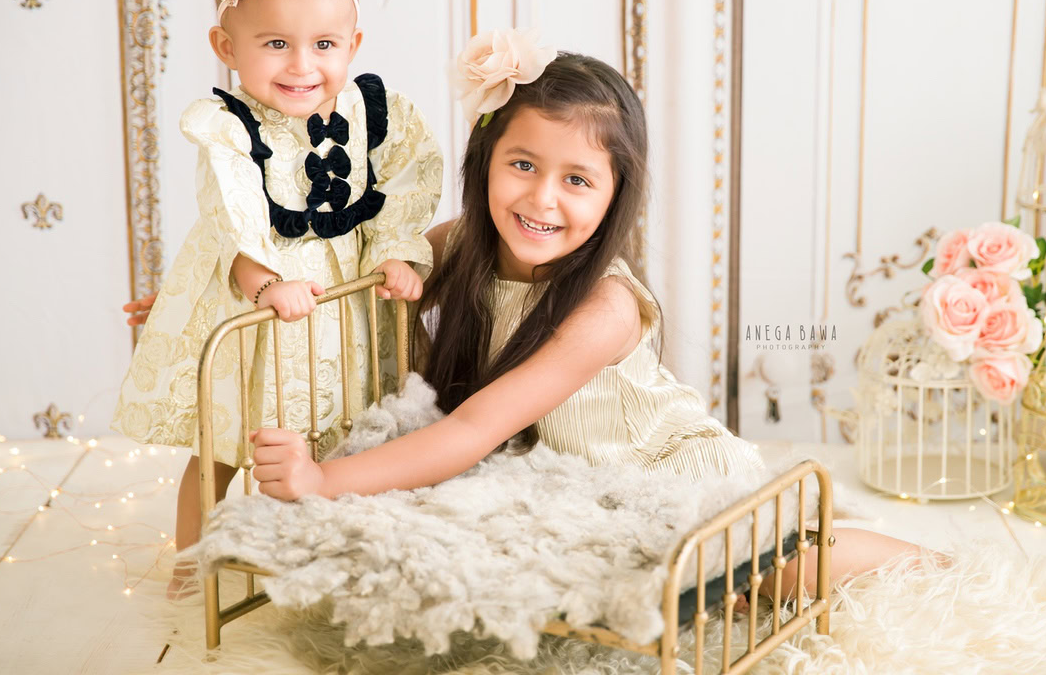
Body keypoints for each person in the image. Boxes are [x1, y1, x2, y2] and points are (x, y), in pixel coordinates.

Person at [248, 30, 923, 597]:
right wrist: (232, 288)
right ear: (484, 161)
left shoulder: (608, 307)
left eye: (576, 180)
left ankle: (928, 563)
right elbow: (347, 272)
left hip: (663, 469)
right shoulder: (461, 244)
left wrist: (323, 479)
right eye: (522, 164)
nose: (542, 199)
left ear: (614, 195)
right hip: (572, 480)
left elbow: (478, 427)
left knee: (767, 577)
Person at [111, 0, 441, 598]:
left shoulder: (371, 114)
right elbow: (232, 221)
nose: (301, 65)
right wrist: (266, 282)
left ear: (352, 46)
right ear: (227, 48)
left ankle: (325, 556)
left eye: (323, 45)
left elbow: (407, 178)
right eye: (275, 44)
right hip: (261, 312)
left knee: (348, 434)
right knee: (227, 449)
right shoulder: (229, 127)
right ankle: (192, 557)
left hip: (341, 308)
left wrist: (399, 254)